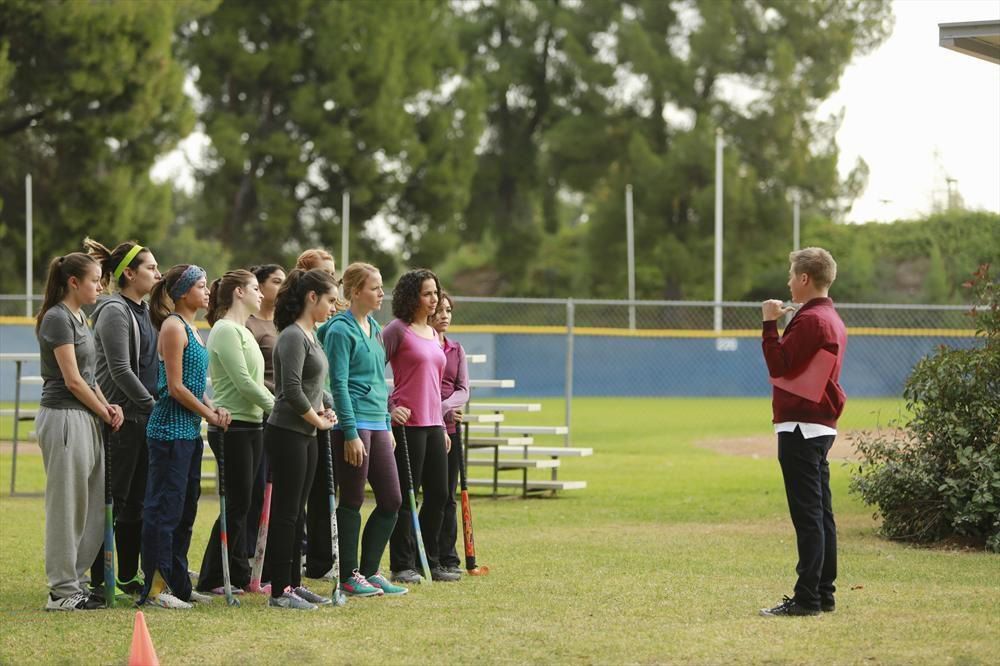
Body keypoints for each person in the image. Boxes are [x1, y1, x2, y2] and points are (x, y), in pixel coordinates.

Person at [759, 247, 847, 618]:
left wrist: (768, 324)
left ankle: (807, 598)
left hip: (800, 425)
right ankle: (823, 593)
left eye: (793, 275)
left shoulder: (811, 320)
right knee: (821, 513)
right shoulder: (830, 317)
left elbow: (779, 365)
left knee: (808, 515)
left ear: (806, 278)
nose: (789, 282)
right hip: (818, 424)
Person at [35, 253, 124, 610]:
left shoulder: (81, 318)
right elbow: (71, 380)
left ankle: (77, 581)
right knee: (67, 507)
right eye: (95, 280)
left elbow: (89, 378)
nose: (100, 287)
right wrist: (102, 409)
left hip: (87, 416)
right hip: (64, 418)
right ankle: (61, 590)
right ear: (74, 281)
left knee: (91, 508)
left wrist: (108, 406)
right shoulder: (57, 318)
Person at [141, 264, 231, 610]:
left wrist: (213, 408)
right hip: (168, 433)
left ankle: (178, 583)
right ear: (182, 292)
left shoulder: (192, 329)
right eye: (201, 286)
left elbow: (193, 386)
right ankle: (156, 588)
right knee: (164, 510)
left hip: (189, 434)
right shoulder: (173, 327)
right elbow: (174, 387)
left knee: (184, 510)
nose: (207, 291)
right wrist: (208, 414)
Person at [83, 238, 161, 598]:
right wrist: (151, 404)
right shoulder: (114, 310)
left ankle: (127, 574)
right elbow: (119, 370)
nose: (157, 273)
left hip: (143, 419)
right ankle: (101, 577)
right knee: (114, 500)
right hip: (122, 421)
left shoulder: (143, 309)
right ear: (128, 273)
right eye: (150, 267)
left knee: (138, 503)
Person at [323, 263, 406, 597]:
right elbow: (338, 384)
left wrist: (386, 426)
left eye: (382, 287)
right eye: (374, 287)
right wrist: (350, 431)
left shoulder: (374, 327)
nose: (381, 293)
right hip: (353, 424)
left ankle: (370, 571)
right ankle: (349, 574)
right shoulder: (340, 330)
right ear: (355, 291)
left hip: (377, 423)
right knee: (353, 499)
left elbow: (379, 382)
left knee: (391, 500)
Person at [196, 270, 275, 596]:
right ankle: (214, 575)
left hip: (253, 424)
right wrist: (281, 409)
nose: (261, 294)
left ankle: (240, 573)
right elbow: (244, 383)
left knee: (249, 502)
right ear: (239, 292)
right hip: (234, 427)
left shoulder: (243, 330)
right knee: (237, 503)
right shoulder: (226, 330)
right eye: (256, 288)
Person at [265, 268, 339, 610]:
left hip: (307, 432)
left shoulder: (313, 335)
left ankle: (294, 584)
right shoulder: (293, 335)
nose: (332, 307)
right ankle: (281, 591)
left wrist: (327, 409)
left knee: (299, 514)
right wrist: (317, 421)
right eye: (330, 300)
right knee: (286, 513)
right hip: (288, 433)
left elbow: (314, 387)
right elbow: (291, 390)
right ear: (312, 298)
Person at [384, 269, 459, 583]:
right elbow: (372, 372)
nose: (434, 299)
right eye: (428, 293)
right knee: (406, 496)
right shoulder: (396, 330)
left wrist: (442, 426)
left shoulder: (431, 332)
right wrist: (390, 408)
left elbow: (434, 384)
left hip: (433, 426)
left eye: (436, 293)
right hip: (409, 426)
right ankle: (402, 564)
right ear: (412, 296)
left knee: (440, 494)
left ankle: (429, 560)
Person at [294, 248, 344, 579]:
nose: (332, 280)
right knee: (296, 499)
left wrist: (327, 405)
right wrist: (317, 412)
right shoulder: (299, 330)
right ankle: (298, 557)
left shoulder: (325, 323)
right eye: (326, 274)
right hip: (299, 422)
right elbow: (296, 383)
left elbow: (321, 379)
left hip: (322, 417)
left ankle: (320, 559)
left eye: (334, 273)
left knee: (324, 490)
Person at [245, 263, 284, 566]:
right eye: (275, 281)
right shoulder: (249, 324)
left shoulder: (283, 325)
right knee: (253, 494)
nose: (281, 287)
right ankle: (244, 558)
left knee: (276, 496)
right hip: (260, 415)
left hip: (283, 417)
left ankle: (268, 560)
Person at [432, 291, 469, 576]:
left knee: (448, 496)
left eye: (448, 310)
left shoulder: (457, 349)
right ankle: (426, 555)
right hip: (428, 427)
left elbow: (463, 390)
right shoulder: (422, 345)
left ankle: (449, 556)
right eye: (439, 310)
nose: (444, 315)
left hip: (451, 429)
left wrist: (446, 407)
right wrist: (437, 411)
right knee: (432, 494)